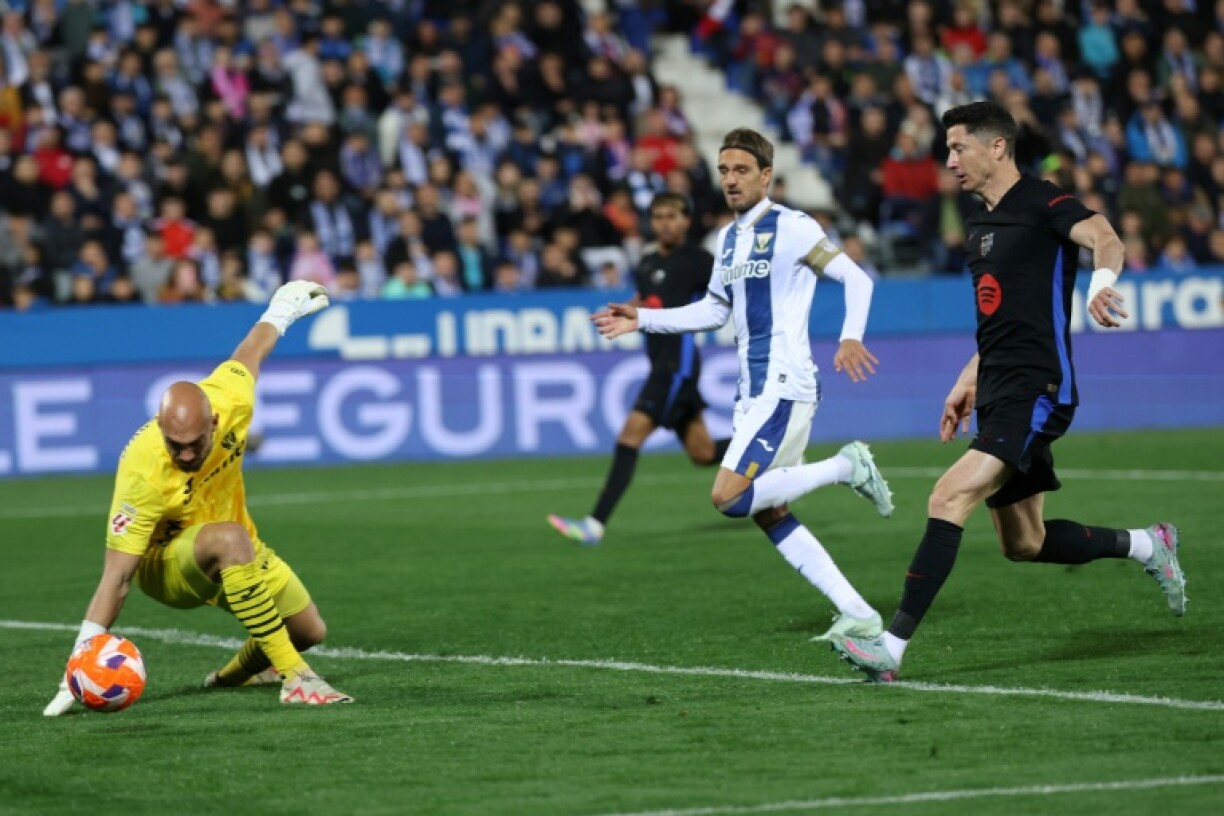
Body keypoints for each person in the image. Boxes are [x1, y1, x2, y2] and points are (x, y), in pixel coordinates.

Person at [829, 101, 1187, 682]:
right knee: (1024, 542)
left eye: (958, 147)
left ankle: (889, 649)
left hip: (1039, 387)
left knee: (947, 498)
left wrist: (1101, 282)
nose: (949, 161)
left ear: (997, 147)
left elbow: (1105, 237)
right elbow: (998, 320)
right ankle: (1149, 544)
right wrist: (967, 379)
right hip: (998, 387)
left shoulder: (1043, 203)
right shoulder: (978, 229)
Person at [592, 128, 893, 641]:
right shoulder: (727, 240)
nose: (730, 180)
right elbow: (713, 311)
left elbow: (856, 279)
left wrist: (849, 336)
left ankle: (846, 466)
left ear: (766, 176)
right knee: (767, 510)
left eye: (741, 171)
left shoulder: (792, 226)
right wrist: (641, 318)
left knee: (730, 497)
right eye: (724, 171)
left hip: (784, 381)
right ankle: (858, 612)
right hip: (752, 390)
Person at [43, 281, 353, 713]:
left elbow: (250, 352)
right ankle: (298, 680)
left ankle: (231, 676)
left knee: (308, 630)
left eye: (195, 444)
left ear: (214, 422)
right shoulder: (142, 467)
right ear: (160, 426)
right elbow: (116, 577)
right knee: (228, 538)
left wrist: (282, 310)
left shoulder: (232, 398)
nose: (185, 454)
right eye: (175, 445)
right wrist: (75, 663)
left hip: (237, 543)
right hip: (166, 564)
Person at [547, 193, 732, 546]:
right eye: (658, 216)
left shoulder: (700, 262)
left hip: (676, 366)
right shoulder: (647, 262)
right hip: (662, 364)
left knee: (629, 437)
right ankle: (775, 449)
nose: (665, 223)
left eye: (672, 216)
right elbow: (647, 301)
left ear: (685, 221)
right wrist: (624, 310)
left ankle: (594, 525)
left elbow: (727, 299)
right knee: (703, 453)